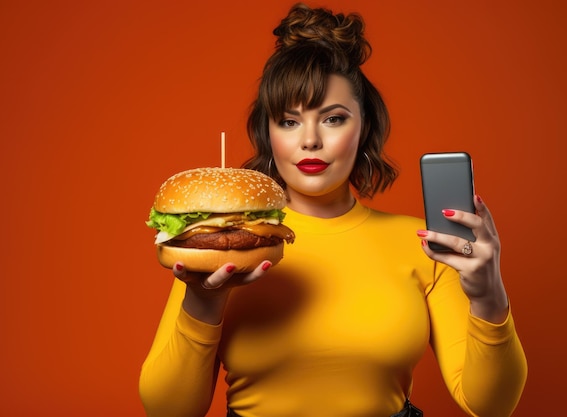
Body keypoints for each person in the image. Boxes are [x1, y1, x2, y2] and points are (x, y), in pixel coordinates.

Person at [139, 3, 528, 417]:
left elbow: (489, 405)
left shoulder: (426, 245)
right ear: (268, 134)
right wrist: (202, 301)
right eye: (289, 121)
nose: (310, 140)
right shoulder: (223, 250)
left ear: (364, 128)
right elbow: (168, 411)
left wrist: (489, 295)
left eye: (333, 119)